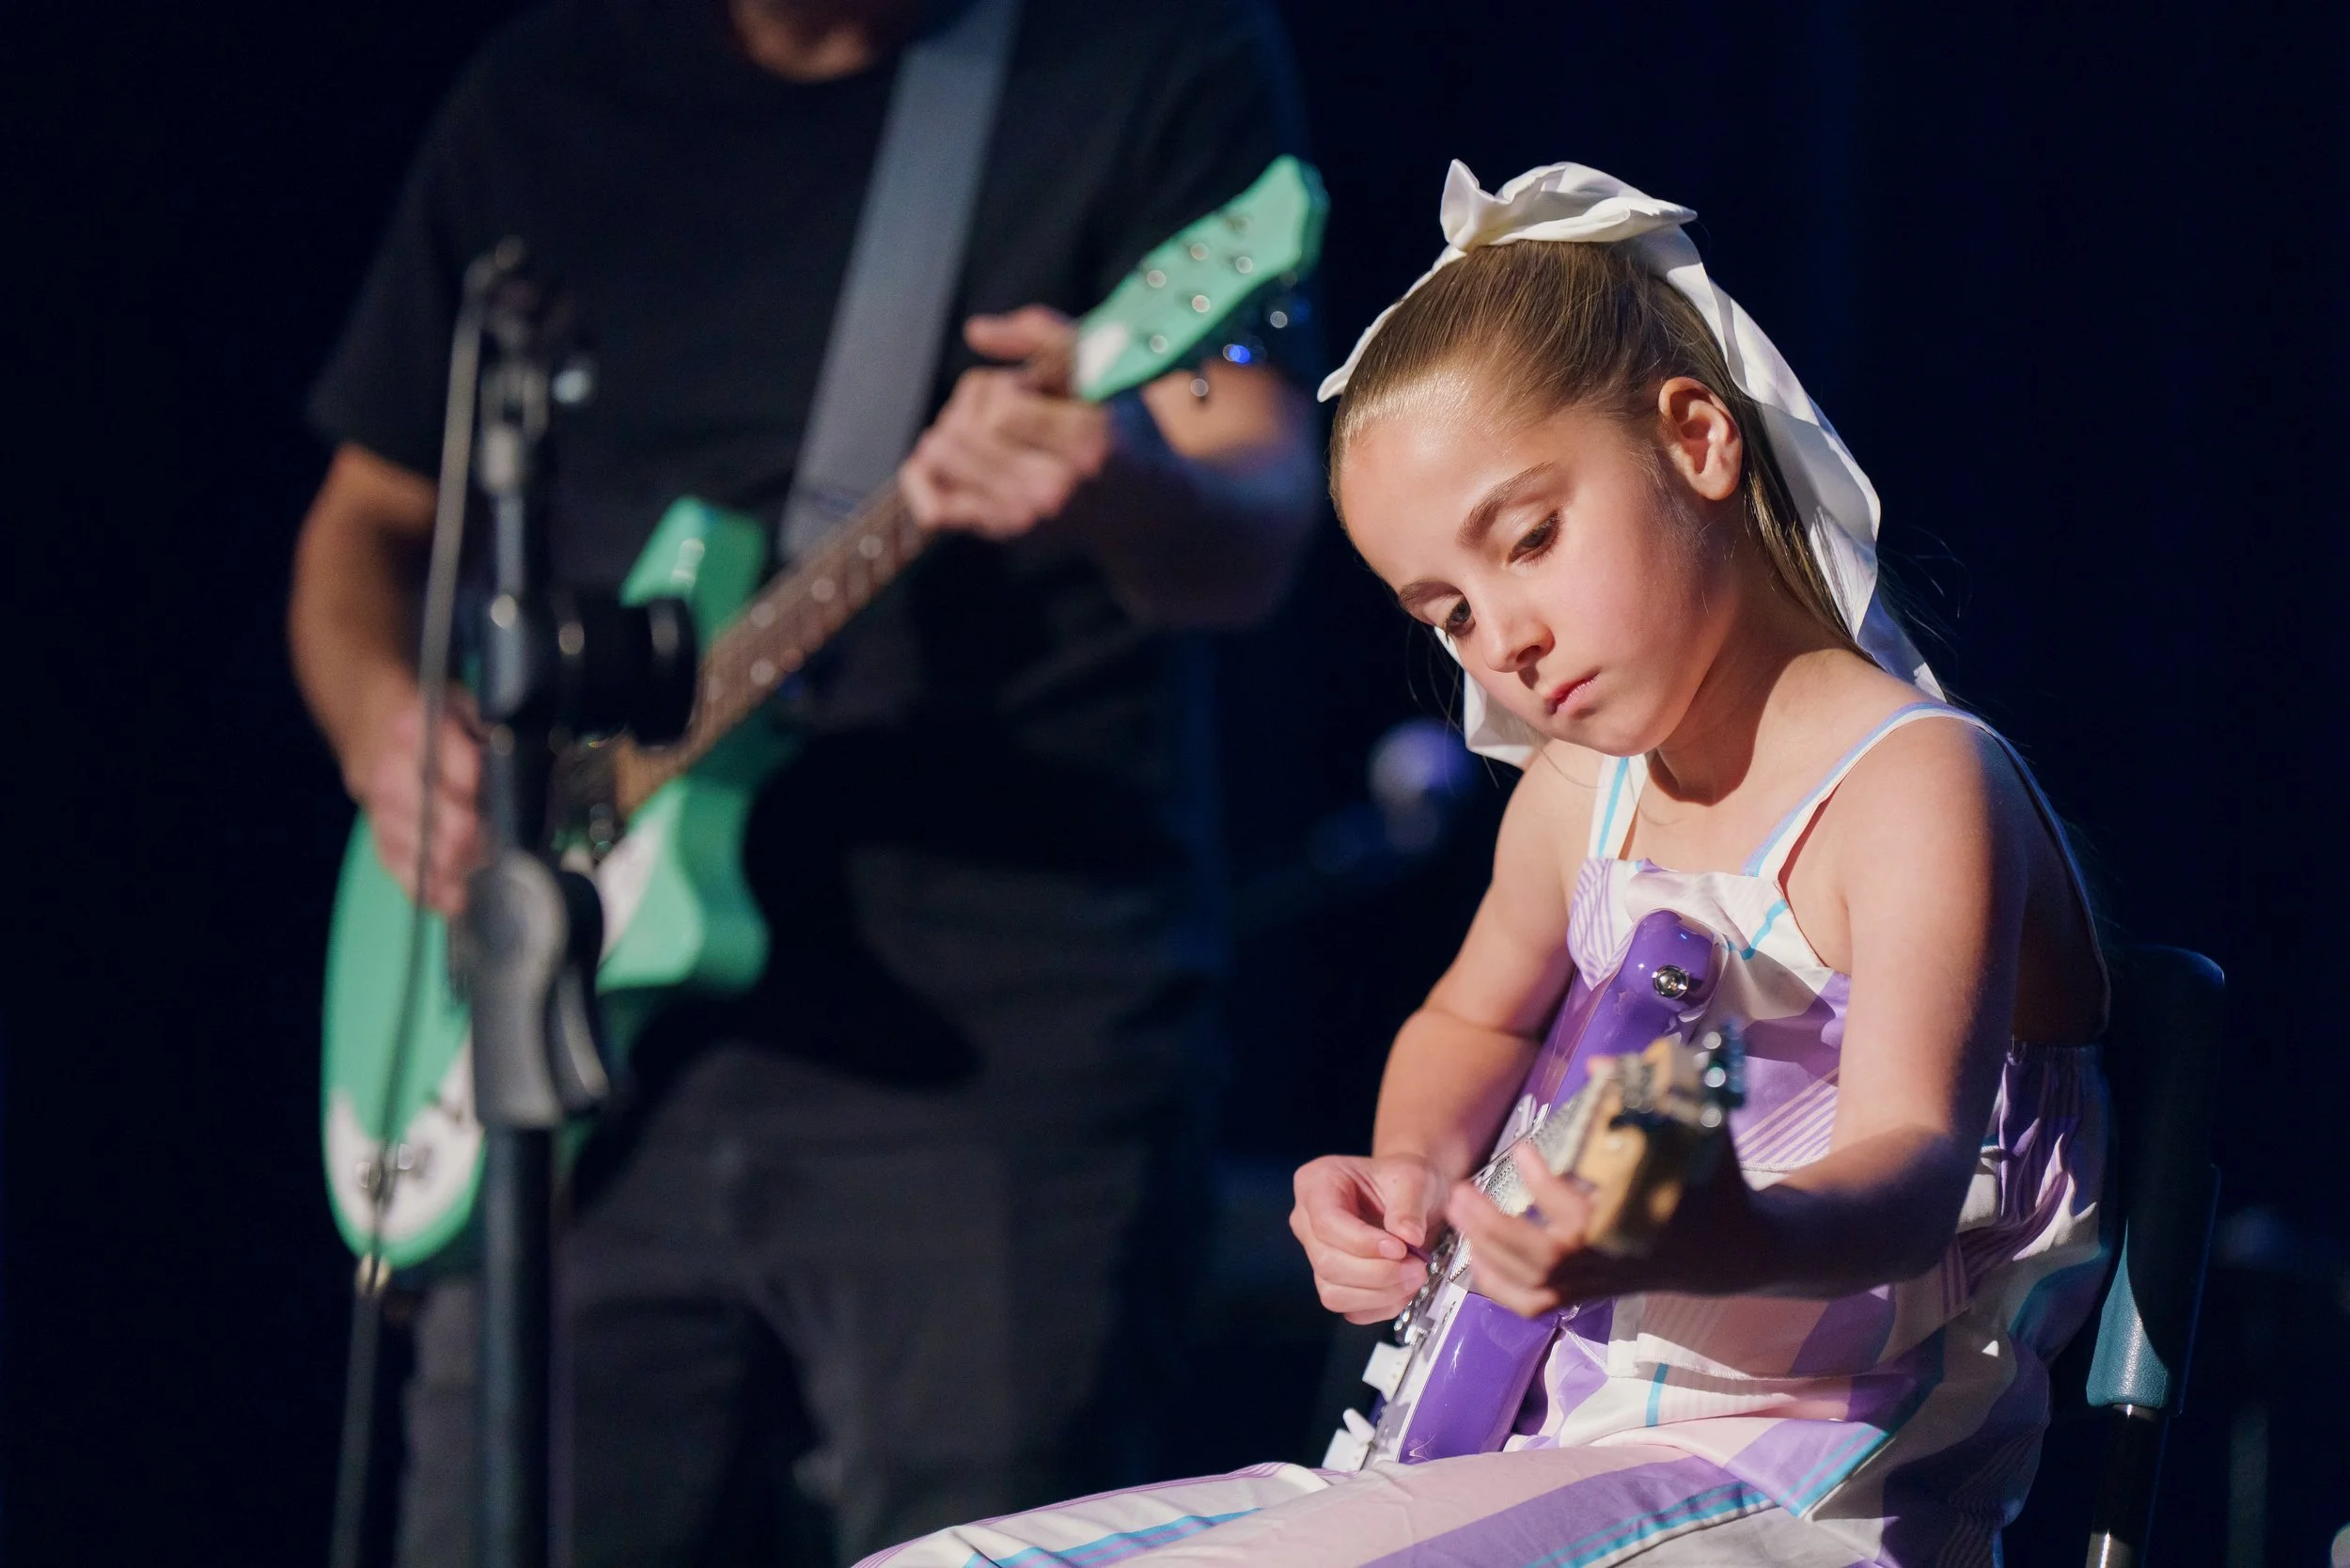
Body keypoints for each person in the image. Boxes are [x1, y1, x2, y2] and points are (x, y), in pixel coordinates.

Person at [859, 163, 2110, 1567]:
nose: (1499, 641)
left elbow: (1909, 1170)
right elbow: (1474, 1016)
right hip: (1536, 1466)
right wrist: (1405, 1170)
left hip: (1792, 1484)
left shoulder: (1911, 782)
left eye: (1529, 542)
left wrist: (1707, 1229)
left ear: (1695, 438)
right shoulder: (1582, 791)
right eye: (1445, 610)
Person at [288, 1, 1321, 1562]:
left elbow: (1255, 507)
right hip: (576, 1054)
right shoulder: (547, 87)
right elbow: (363, 523)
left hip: (998, 1049)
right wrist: (384, 720)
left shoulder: (1143, 55)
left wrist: (1121, 478)